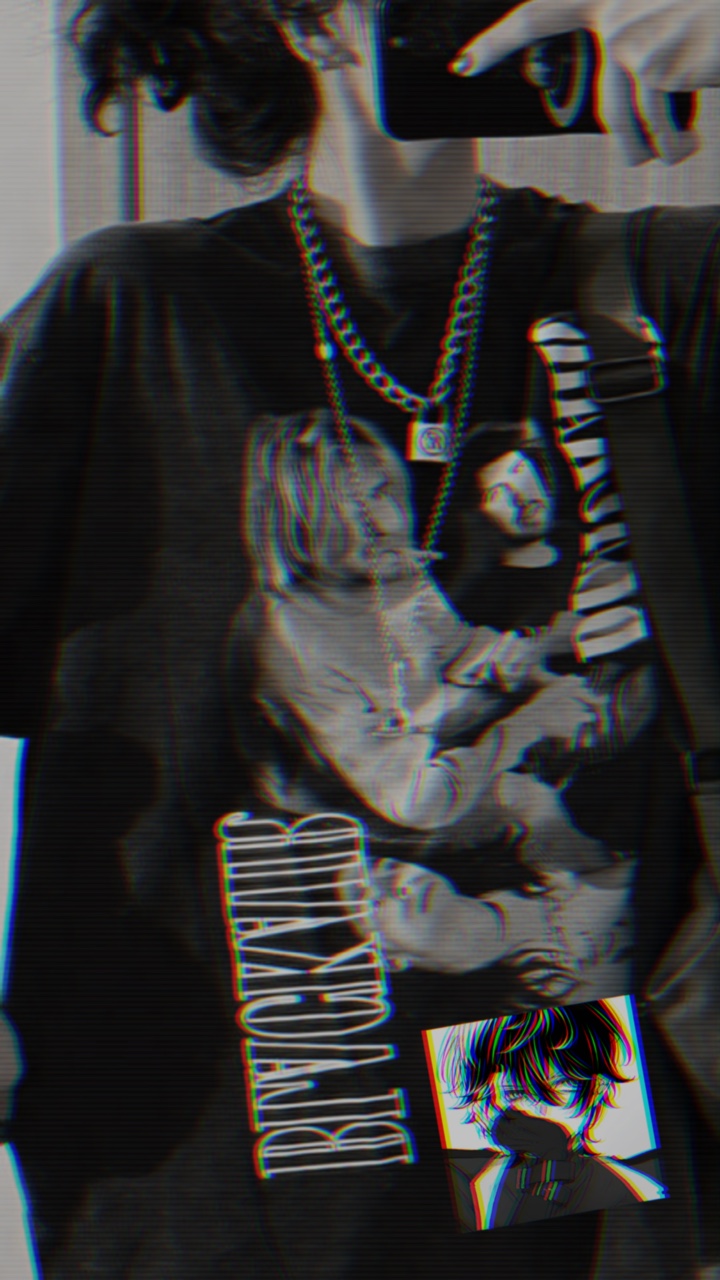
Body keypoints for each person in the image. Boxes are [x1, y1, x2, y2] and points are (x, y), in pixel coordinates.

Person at [0, 1, 718, 1277]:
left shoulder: (653, 288)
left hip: (547, 1079)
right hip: (208, 1135)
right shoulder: (136, 312)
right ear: (308, 20)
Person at [232, 405, 616, 874]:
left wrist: (544, 675)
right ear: (299, 520)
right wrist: (532, 722)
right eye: (357, 506)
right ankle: (592, 891)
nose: (391, 520)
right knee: (530, 800)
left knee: (615, 694)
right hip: (364, 816)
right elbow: (420, 801)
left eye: (385, 492)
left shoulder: (382, 566)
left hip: (427, 740)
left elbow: (462, 648)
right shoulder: (289, 642)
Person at [437, 1003, 668, 1230]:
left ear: (598, 1087)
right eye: (516, 1093)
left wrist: (553, 1162)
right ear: (489, 1097)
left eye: (560, 1087)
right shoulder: (470, 1181)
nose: (539, 1111)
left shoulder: (629, 1187)